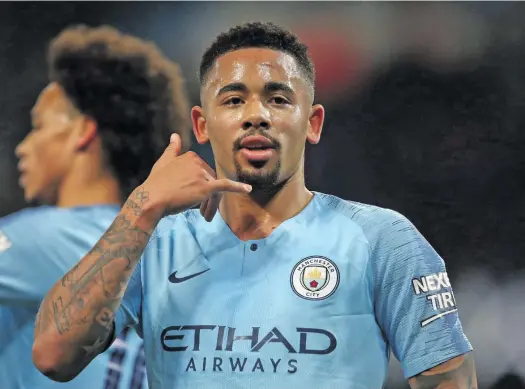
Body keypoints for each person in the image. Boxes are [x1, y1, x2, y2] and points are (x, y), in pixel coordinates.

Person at [33, 22, 477, 389]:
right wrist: (140, 208)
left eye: (278, 98)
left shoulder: (382, 240)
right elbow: (54, 355)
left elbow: (449, 382)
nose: (256, 114)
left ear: (313, 123)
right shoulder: (155, 242)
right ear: (202, 126)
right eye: (233, 99)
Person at [0, 25, 190, 389]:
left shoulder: (41, 237)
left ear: (82, 132)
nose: (24, 146)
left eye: (39, 126)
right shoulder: (171, 245)